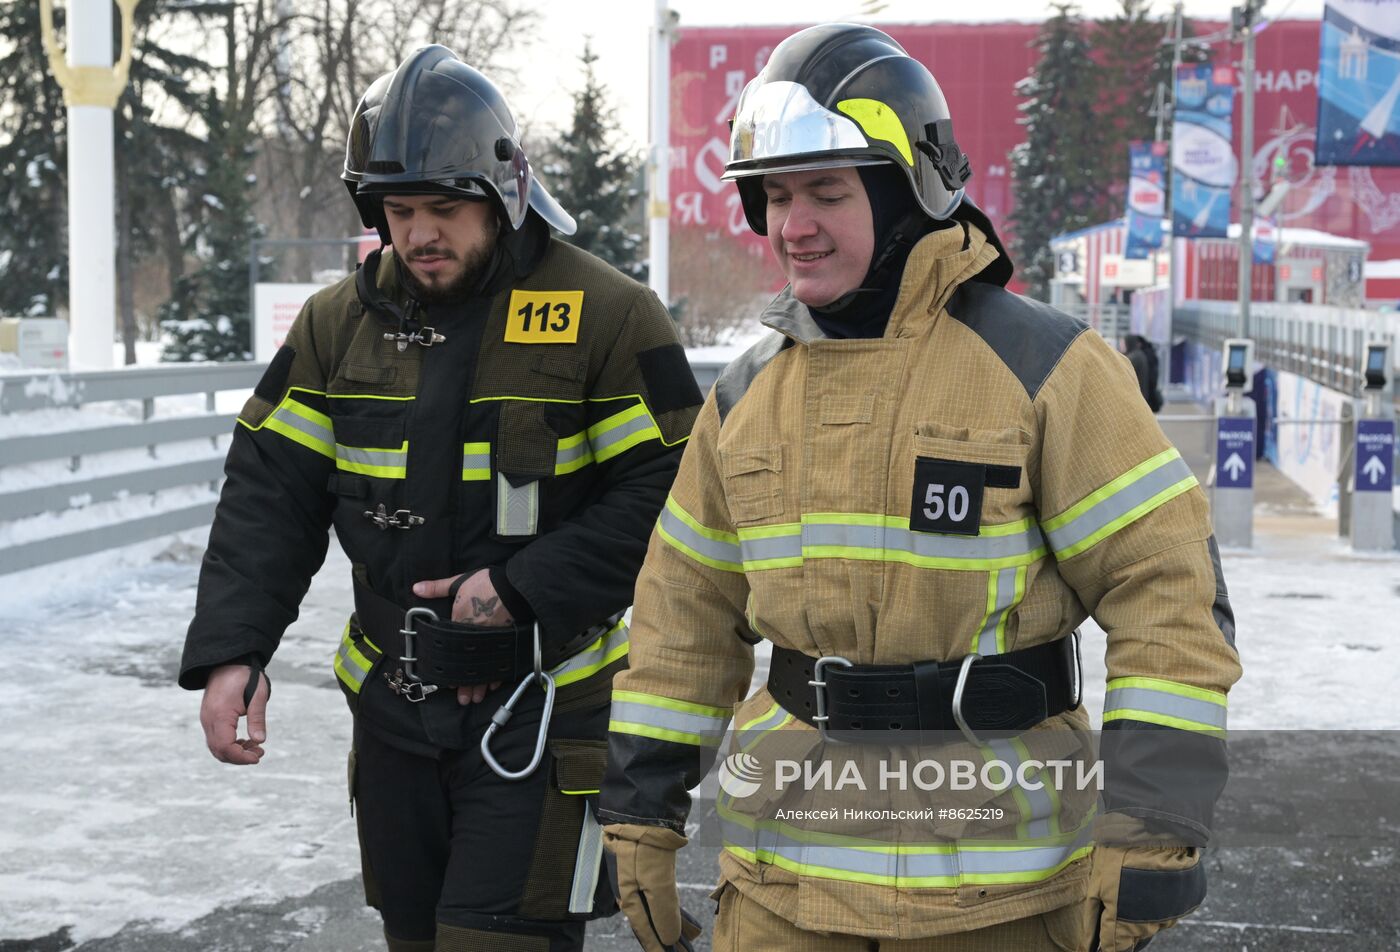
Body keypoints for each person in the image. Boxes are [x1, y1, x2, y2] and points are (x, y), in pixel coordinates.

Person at [597, 23, 1240, 952]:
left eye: (827, 190)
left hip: (1006, 899)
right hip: (783, 894)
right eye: (774, 195)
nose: (793, 224)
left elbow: (1170, 598)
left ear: (908, 194)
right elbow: (680, 621)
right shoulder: (743, 399)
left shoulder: (1048, 370)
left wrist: (1151, 831)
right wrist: (641, 819)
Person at [178, 46, 702, 952]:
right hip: (390, 712)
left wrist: (524, 585)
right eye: (399, 210)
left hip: (542, 711)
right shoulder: (333, 324)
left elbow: (682, 491)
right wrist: (235, 649)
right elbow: (270, 493)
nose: (420, 233)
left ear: (503, 193)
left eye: (445, 208)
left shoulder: (610, 313)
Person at [1123, 334, 1164, 412]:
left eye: (1124, 343)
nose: (1122, 346)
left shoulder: (1135, 357)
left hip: (1137, 396)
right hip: (1142, 395)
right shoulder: (1140, 354)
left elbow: (1122, 368)